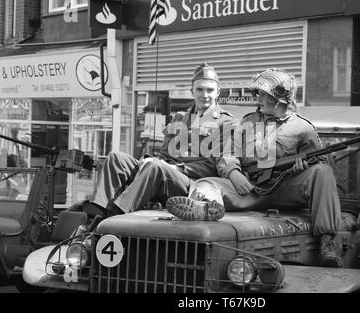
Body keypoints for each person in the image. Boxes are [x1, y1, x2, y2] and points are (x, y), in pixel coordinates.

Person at [166, 68, 343, 268]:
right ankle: (202, 208)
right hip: (248, 188)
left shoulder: (303, 128)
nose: (257, 98)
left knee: (322, 172)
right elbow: (228, 153)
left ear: (278, 99)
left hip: (283, 189)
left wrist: (301, 170)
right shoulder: (248, 121)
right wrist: (234, 173)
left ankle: (328, 242)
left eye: (263, 95)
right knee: (206, 183)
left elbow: (319, 163)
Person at [70, 62, 237, 217]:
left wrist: (173, 167)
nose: (205, 95)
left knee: (155, 167)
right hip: (165, 175)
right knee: (116, 158)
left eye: (209, 90)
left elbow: (213, 167)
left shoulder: (226, 123)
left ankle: (114, 215)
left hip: (194, 185)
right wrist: (151, 162)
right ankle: (97, 210)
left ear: (218, 92)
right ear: (192, 91)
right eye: (200, 90)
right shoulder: (179, 118)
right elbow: (164, 155)